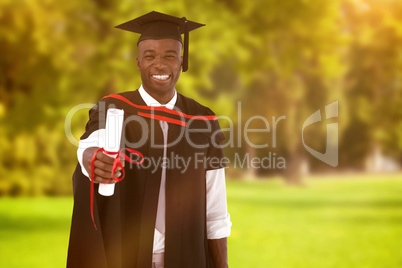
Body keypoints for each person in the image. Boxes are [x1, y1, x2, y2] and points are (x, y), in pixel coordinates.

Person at [67, 11, 231, 268]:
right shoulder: (114, 108)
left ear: (181, 61)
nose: (160, 64)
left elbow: (216, 210)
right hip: (124, 255)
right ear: (138, 62)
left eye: (169, 56)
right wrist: (92, 158)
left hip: (185, 257)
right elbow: (92, 141)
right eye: (150, 56)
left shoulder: (203, 120)